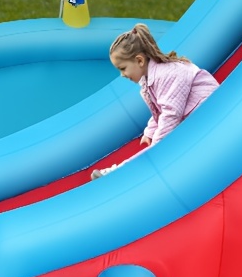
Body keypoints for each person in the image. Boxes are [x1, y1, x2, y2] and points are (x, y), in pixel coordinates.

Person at [91, 23, 219, 179]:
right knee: (158, 146)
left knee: (157, 150)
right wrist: (150, 132)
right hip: (194, 118)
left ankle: (118, 172)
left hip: (209, 113)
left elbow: (171, 114)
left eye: (123, 68)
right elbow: (160, 110)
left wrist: (157, 148)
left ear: (139, 60)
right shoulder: (149, 80)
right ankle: (118, 171)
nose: (122, 74)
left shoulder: (167, 74)